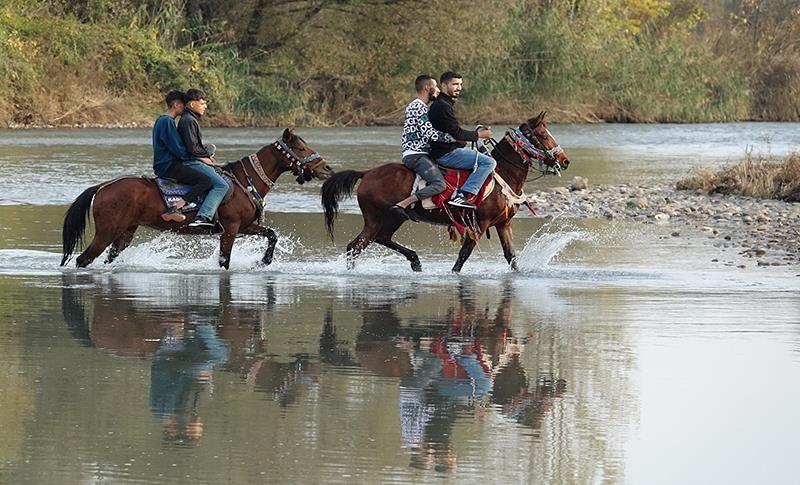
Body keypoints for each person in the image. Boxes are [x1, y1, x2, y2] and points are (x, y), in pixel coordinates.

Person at [391, 75, 455, 220]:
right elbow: (430, 134)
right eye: (436, 87)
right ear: (427, 88)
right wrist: (454, 137)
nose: (438, 90)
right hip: (416, 155)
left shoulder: (417, 106)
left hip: (419, 153)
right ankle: (403, 204)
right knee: (440, 184)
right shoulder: (418, 107)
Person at [429, 71, 495, 209]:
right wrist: (480, 135)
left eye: (460, 84)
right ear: (444, 85)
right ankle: (463, 196)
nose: (459, 87)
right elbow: (457, 133)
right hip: (445, 154)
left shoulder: (443, 103)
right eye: (455, 84)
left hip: (445, 150)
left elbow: (450, 132)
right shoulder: (442, 106)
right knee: (489, 162)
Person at [175, 88, 229, 228]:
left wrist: (206, 155)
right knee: (222, 185)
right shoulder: (188, 120)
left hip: (193, 159)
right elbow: (192, 147)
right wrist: (204, 157)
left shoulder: (190, 119)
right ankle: (203, 217)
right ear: (192, 104)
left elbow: (194, 146)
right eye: (202, 103)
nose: (205, 106)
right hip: (190, 162)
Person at [152, 90, 192, 223]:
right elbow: (178, 149)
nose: (185, 108)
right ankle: (176, 208)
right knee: (205, 179)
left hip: (165, 164)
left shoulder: (162, 120)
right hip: (168, 165)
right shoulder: (167, 122)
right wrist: (196, 158)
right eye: (183, 105)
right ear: (176, 104)